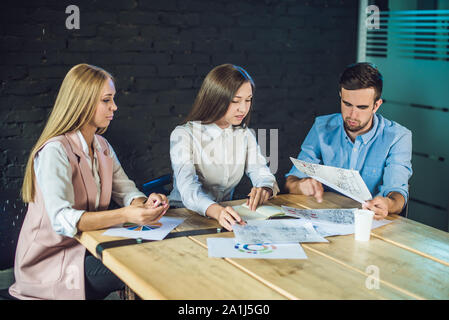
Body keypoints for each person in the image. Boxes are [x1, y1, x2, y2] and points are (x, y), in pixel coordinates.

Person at [9, 64, 169, 300]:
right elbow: (62, 220)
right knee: (141, 267)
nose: (114, 107)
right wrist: (127, 214)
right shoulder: (55, 151)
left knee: (153, 254)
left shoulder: (102, 146)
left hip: (87, 248)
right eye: (107, 100)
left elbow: (125, 190)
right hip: (54, 263)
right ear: (82, 103)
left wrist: (146, 203)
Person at [285, 62, 412, 220]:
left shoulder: (398, 137)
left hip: (370, 223)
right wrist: (300, 185)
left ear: (376, 106)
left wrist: (388, 203)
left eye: (362, 107)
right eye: (347, 104)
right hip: (325, 218)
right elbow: (292, 180)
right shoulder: (322, 127)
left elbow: (398, 193)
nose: (352, 115)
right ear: (340, 96)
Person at [168, 64, 279, 231]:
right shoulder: (184, 135)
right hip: (182, 215)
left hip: (224, 216)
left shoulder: (245, 135)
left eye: (248, 100)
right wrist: (217, 211)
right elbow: (188, 188)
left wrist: (265, 187)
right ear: (216, 99)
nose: (243, 109)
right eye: (236, 101)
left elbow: (260, 170)